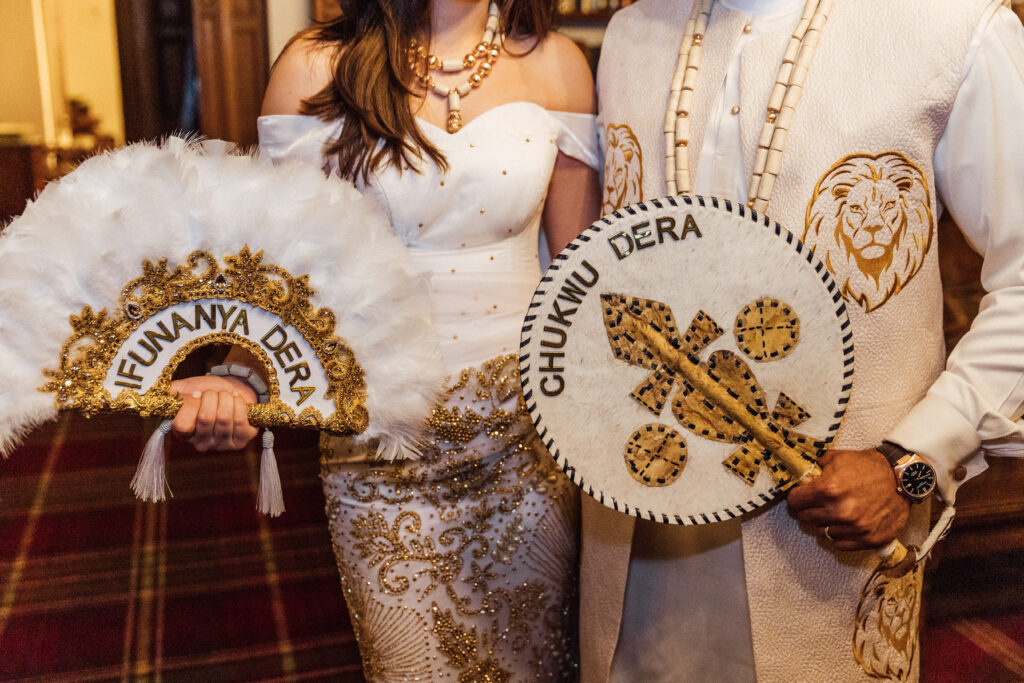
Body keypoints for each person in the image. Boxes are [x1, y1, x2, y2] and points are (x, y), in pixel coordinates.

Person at [588, 0, 1024, 680]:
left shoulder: (952, 28)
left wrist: (910, 462)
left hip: (826, 544)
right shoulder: (632, 35)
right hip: (636, 535)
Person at [170, 0, 601, 679]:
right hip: (382, 445)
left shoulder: (559, 67)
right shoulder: (315, 67)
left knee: (536, 663)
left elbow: (580, 281)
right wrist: (241, 375)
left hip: (528, 448)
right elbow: (284, 270)